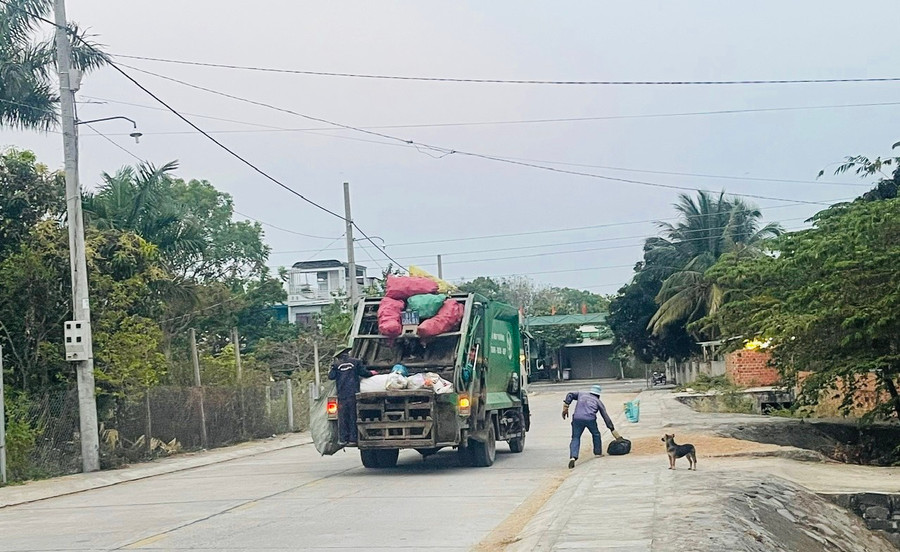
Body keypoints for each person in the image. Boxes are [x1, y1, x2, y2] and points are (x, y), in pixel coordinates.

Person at [562, 384, 622, 469]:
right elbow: (605, 417)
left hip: (577, 418)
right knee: (596, 434)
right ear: (598, 394)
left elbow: (570, 395)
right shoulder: (598, 402)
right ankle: (597, 453)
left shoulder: (581, 394)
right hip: (590, 419)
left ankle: (573, 457)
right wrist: (612, 429)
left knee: (575, 437)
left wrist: (566, 406)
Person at [328, 348, 375, 445]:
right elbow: (363, 373)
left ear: (338, 355)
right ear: (347, 352)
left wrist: (332, 367)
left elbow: (331, 377)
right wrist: (372, 373)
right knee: (353, 416)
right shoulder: (356, 362)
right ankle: (353, 439)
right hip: (353, 395)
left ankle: (343, 439)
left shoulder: (336, 365)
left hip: (342, 396)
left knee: (343, 417)